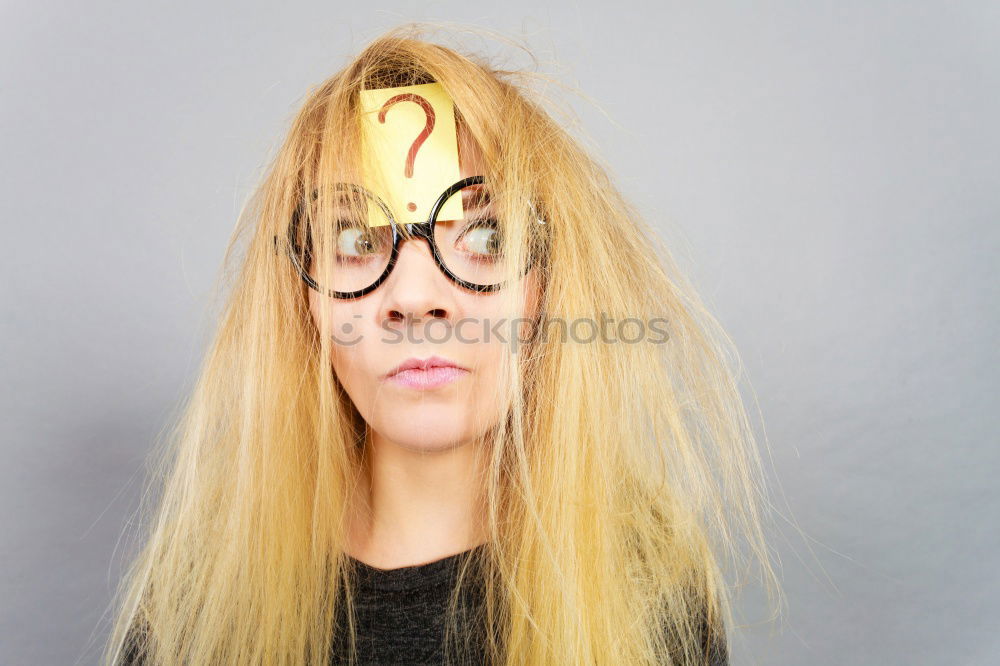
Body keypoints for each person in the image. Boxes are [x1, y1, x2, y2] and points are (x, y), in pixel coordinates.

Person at [106, 24, 778, 666]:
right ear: (302, 302)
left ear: (549, 288)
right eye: (356, 242)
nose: (416, 297)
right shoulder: (200, 608)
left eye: (487, 240)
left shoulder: (647, 595)